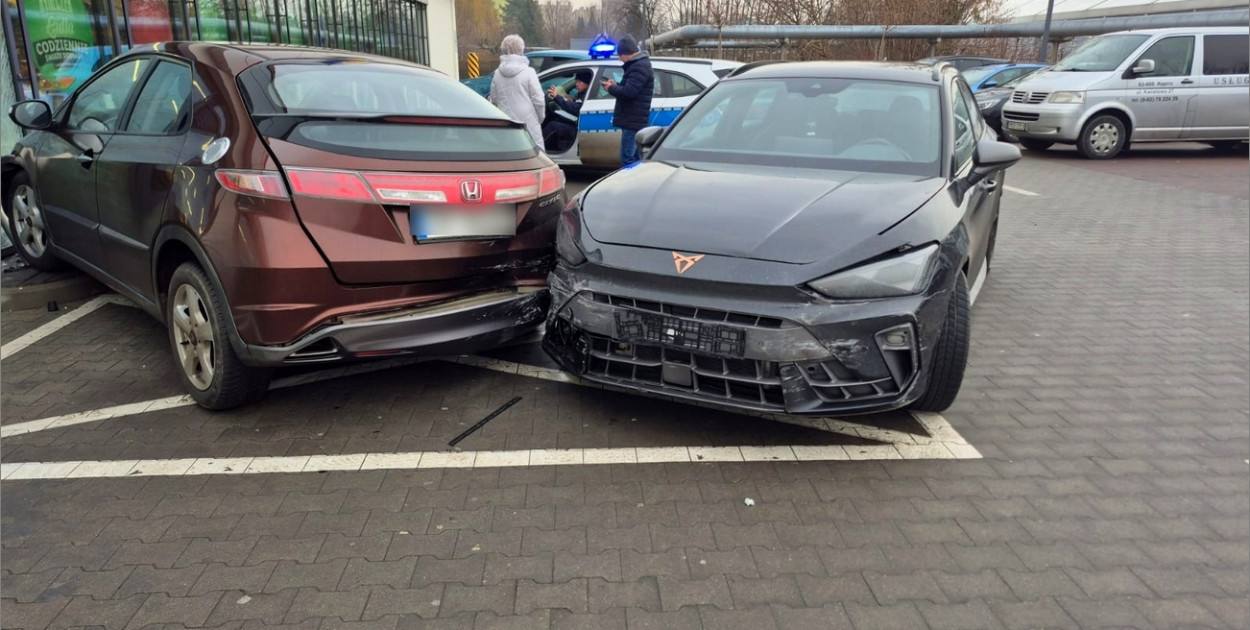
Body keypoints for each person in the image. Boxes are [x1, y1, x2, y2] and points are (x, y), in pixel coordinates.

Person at [600, 35, 653, 167]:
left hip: (632, 120)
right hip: (633, 119)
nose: (620, 59)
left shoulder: (639, 67)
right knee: (635, 158)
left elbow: (629, 92)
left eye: (620, 55)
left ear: (626, 53)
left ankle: (631, 179)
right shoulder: (639, 65)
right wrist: (615, 85)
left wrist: (611, 88)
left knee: (627, 158)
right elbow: (630, 88)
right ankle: (639, 178)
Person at [489, 34, 546, 151]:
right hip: (528, 123)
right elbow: (539, 100)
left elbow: (494, 99)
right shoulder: (529, 72)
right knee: (535, 155)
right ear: (521, 50)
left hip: (505, 123)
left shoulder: (497, 74)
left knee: (510, 155)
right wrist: (539, 118)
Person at [543, 69, 593, 153]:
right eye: (576, 81)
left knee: (553, 125)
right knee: (556, 118)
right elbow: (576, 103)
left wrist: (557, 97)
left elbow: (576, 108)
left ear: (587, 83)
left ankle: (538, 147)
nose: (576, 84)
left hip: (579, 128)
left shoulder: (587, 95)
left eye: (579, 82)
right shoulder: (584, 93)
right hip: (578, 123)